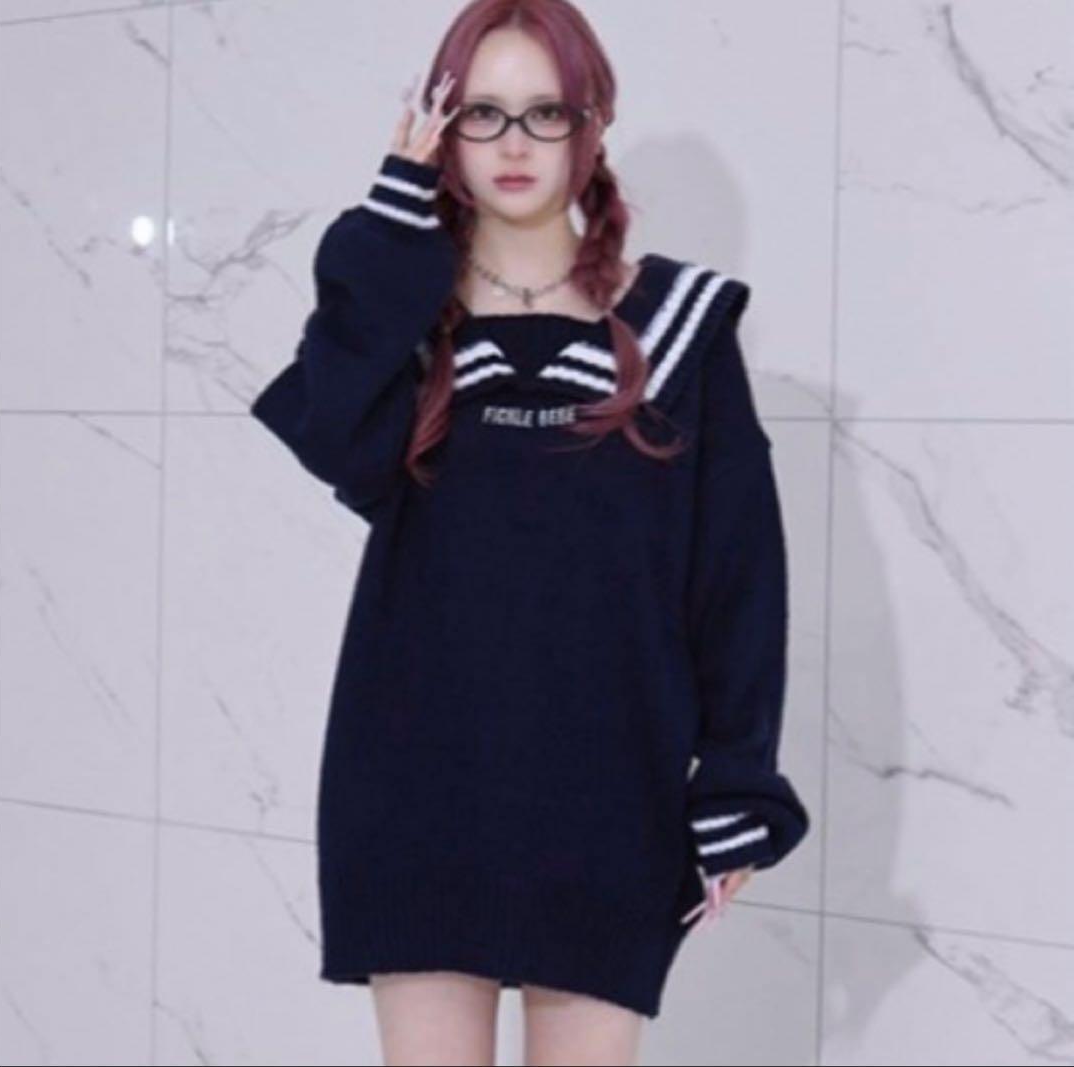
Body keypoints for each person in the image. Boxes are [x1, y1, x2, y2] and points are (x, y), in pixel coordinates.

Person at [249, 1, 810, 1063]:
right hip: (413, 778)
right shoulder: (406, 328)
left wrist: (737, 780)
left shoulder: (681, 327)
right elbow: (331, 433)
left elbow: (739, 577)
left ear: (592, 124)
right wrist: (394, 217)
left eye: (545, 113)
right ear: (440, 127)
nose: (513, 144)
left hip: (610, 786)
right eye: (483, 113)